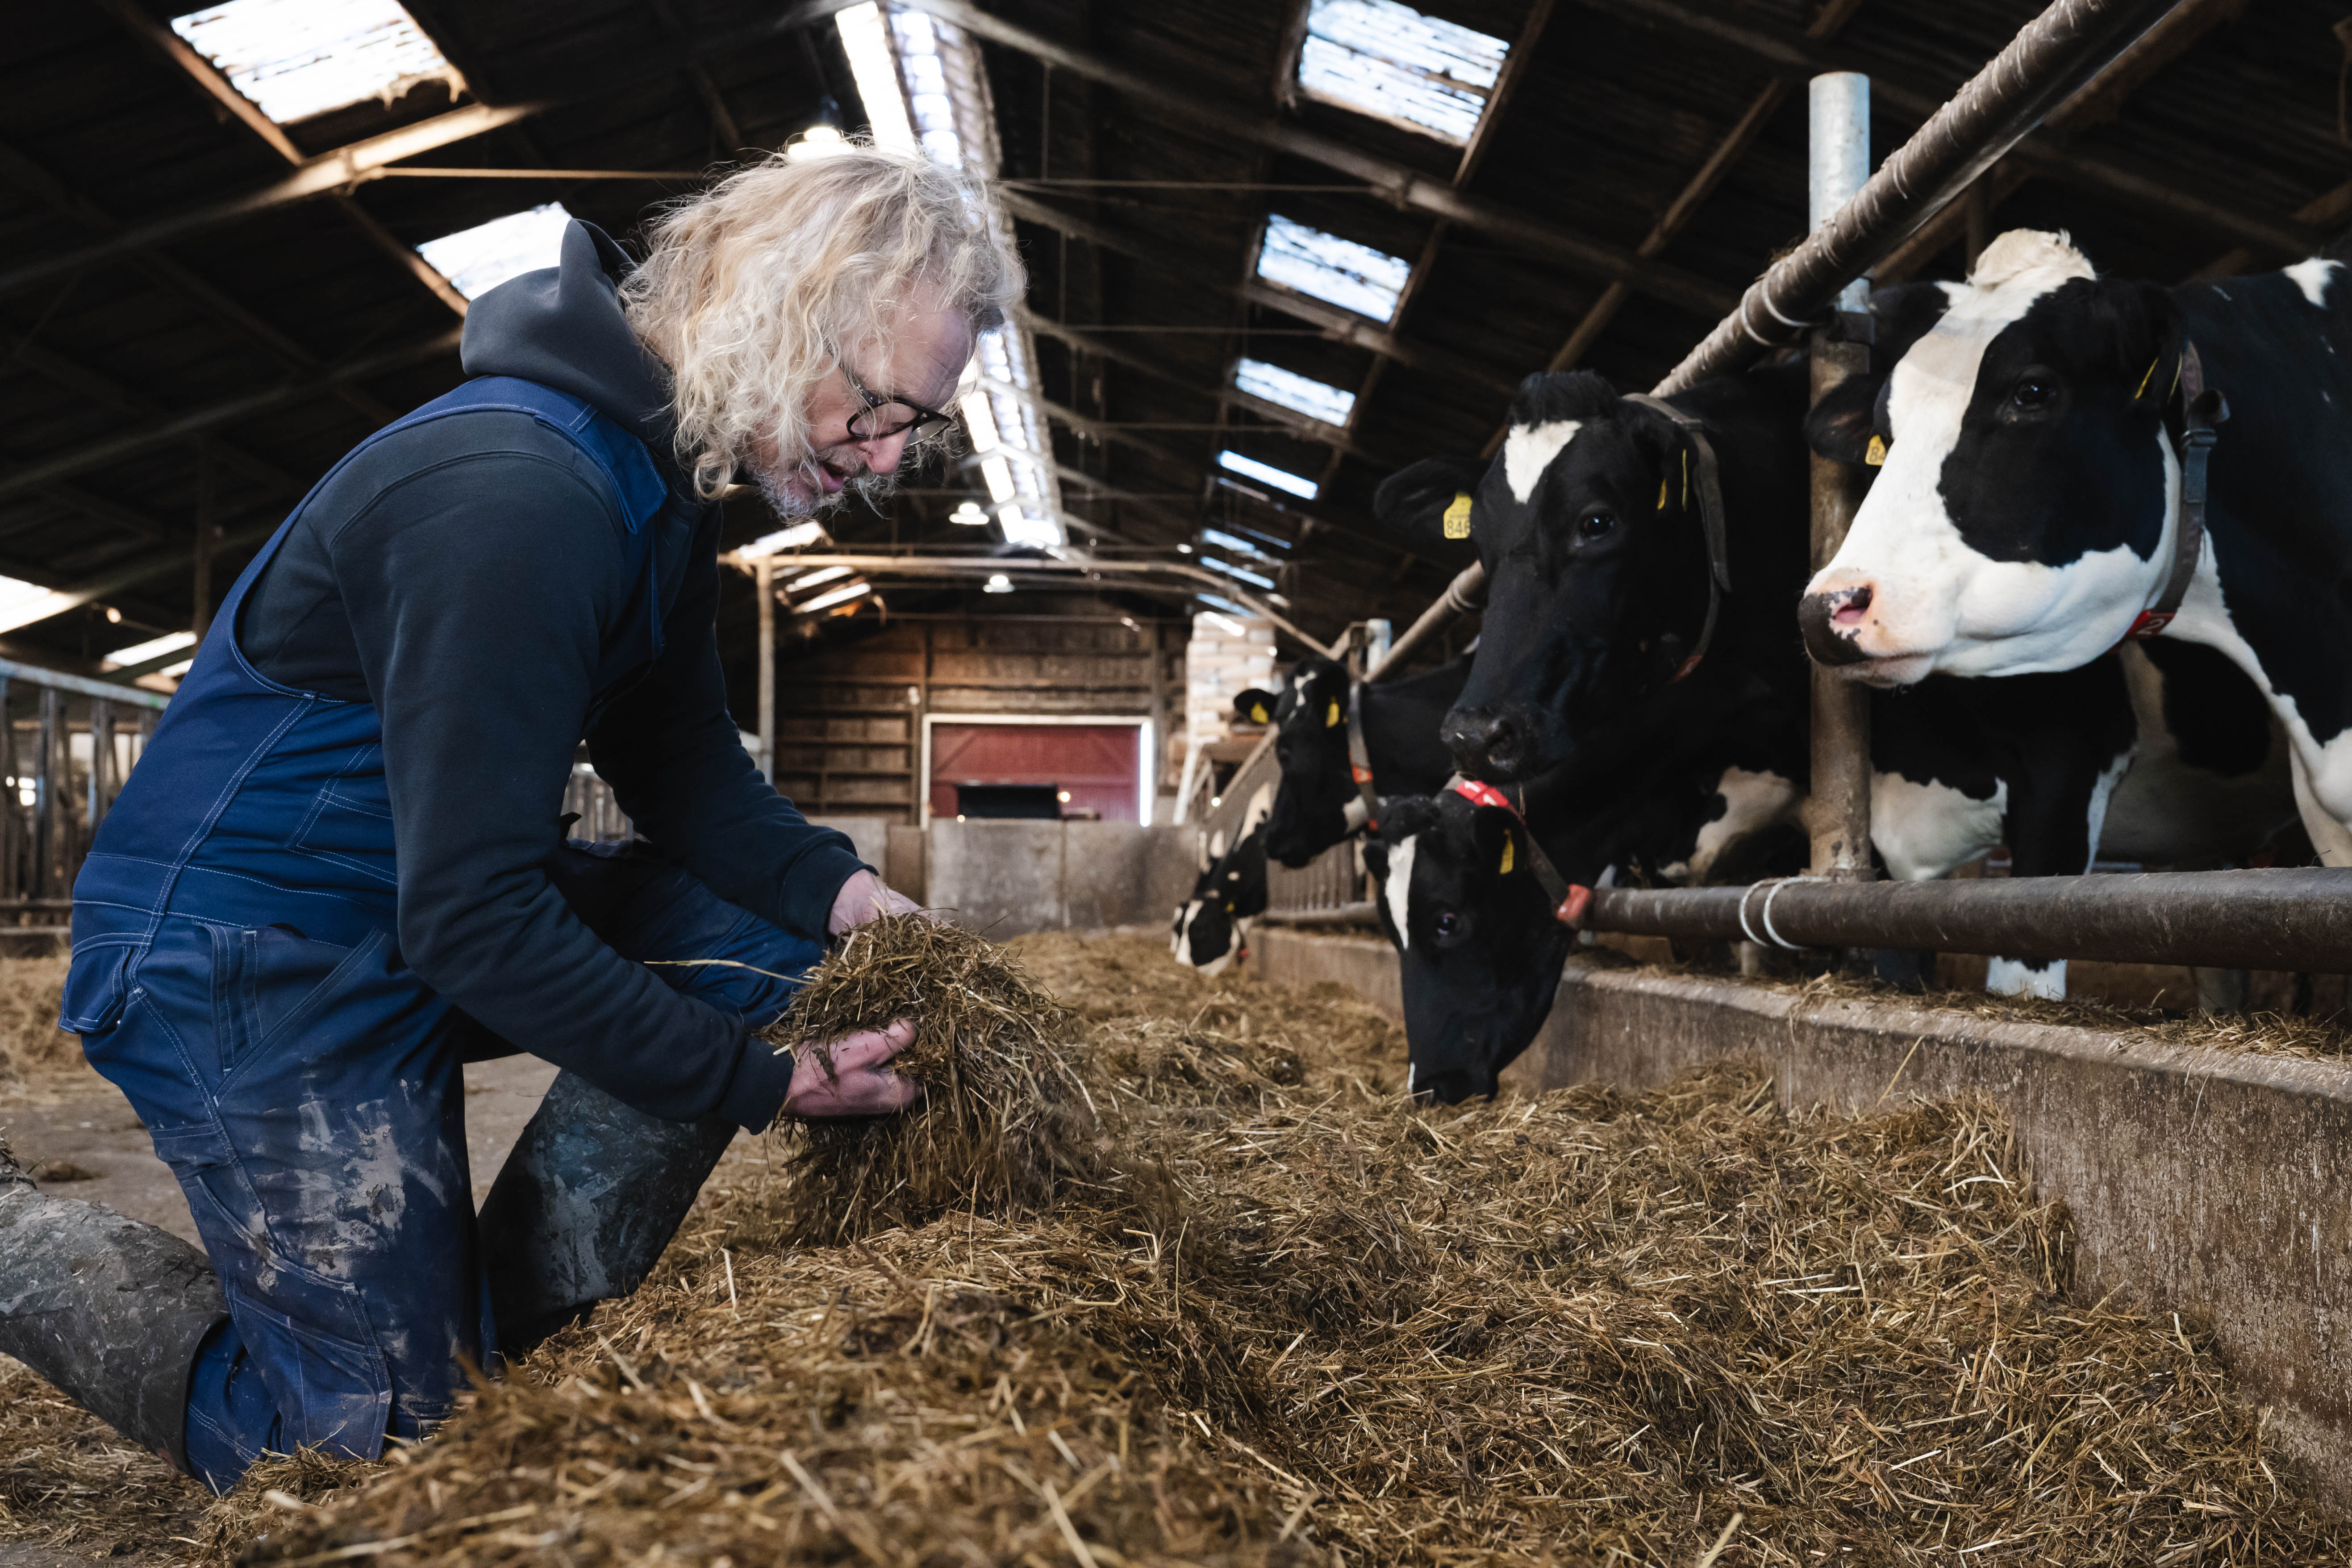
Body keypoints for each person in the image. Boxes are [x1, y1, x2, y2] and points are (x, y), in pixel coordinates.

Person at [0, 145, 1019, 1490]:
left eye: (917, 426)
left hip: (406, 908)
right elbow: (473, 918)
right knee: (380, 1468)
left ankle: (504, 1346)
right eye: (879, 406)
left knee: (791, 950)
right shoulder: (518, 488)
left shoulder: (662, 486)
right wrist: (763, 1085)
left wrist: (852, 901)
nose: (886, 455)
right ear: (782, 319)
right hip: (246, 951)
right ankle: (23, 1249)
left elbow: (684, 768)